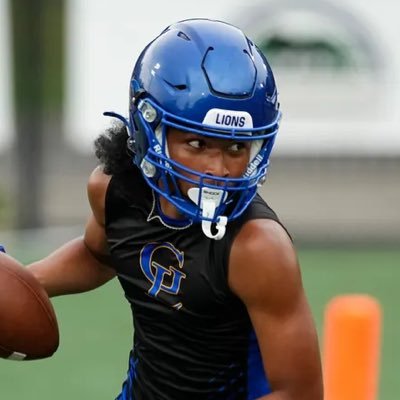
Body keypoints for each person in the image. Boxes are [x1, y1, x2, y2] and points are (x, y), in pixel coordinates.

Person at [27, 18, 323, 400]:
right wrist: (25, 282)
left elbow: (298, 394)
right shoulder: (114, 191)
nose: (218, 169)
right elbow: (98, 254)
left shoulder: (257, 247)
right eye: (198, 144)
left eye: (236, 148)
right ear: (151, 129)